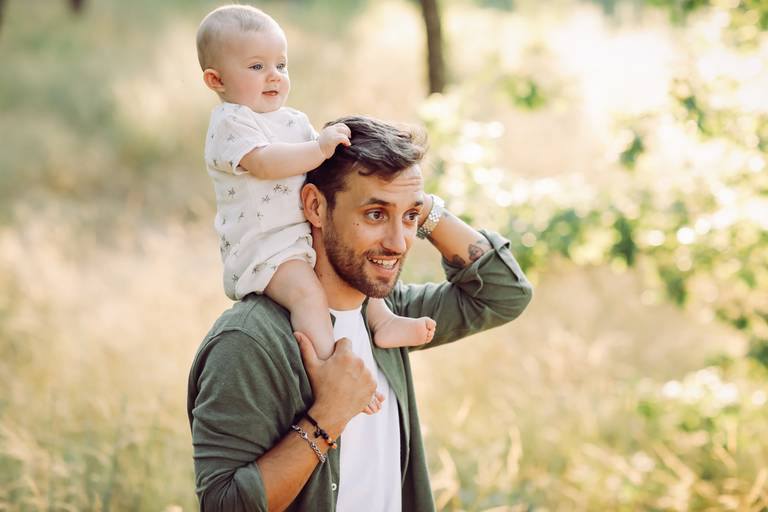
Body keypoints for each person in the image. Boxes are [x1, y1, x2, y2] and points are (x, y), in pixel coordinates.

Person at [187, 115, 534, 511]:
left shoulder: (386, 317)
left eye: (409, 218)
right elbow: (224, 505)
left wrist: (423, 207)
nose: (399, 243)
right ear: (315, 206)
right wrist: (327, 417)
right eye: (375, 214)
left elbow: (504, 294)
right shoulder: (250, 342)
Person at [195, 4, 436, 382]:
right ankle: (332, 372)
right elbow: (265, 163)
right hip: (267, 248)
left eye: (281, 65)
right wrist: (320, 148)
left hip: (300, 232)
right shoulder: (231, 123)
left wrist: (395, 193)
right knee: (309, 296)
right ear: (216, 80)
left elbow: (327, 169)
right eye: (257, 67)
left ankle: (383, 319)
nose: (273, 76)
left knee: (354, 263)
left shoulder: (292, 120)